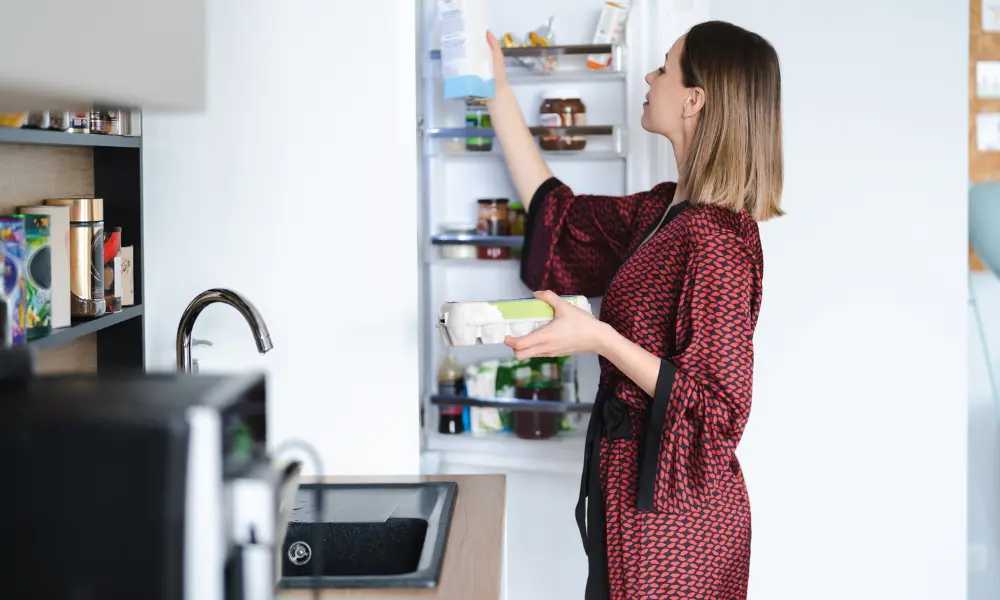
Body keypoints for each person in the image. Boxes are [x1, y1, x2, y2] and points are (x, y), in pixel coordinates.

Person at [484, 20, 783, 600]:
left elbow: (719, 410)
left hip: (676, 520)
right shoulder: (663, 210)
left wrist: (599, 339)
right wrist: (496, 88)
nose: (650, 75)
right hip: (631, 501)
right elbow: (559, 218)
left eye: (665, 67)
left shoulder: (718, 239)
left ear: (695, 99)